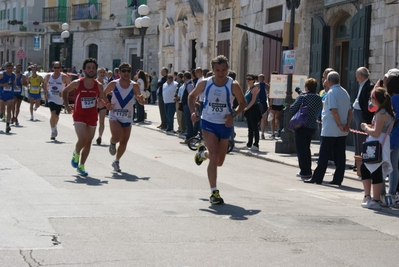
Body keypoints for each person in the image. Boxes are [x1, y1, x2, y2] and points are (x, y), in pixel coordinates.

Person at [189, 55, 246, 204]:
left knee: (219, 161)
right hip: (208, 122)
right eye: (217, 70)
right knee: (214, 155)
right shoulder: (205, 83)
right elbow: (191, 96)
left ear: (227, 69)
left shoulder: (233, 85)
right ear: (213, 70)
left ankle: (202, 153)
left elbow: (242, 103)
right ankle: (214, 192)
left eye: (223, 70)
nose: (221, 73)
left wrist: (232, 114)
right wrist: (193, 112)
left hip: (225, 125)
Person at [304, 71, 352, 185]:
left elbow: (334, 111)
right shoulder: (344, 92)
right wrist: (347, 125)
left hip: (331, 129)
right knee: (340, 155)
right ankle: (338, 179)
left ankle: (317, 177)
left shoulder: (332, 92)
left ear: (329, 81)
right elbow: (350, 111)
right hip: (342, 130)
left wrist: (339, 123)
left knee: (324, 155)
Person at [63, 58, 105, 176]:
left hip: (92, 116)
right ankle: (76, 153)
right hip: (79, 115)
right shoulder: (78, 83)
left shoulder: (99, 86)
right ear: (84, 70)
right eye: (89, 68)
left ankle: (81, 166)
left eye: (93, 68)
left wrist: (103, 104)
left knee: (88, 142)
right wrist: (66, 106)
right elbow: (65, 91)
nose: (91, 70)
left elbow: (102, 99)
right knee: (82, 139)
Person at [103, 62, 145, 172]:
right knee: (117, 137)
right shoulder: (113, 84)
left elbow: (139, 99)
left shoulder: (134, 85)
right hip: (114, 115)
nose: (126, 73)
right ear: (119, 72)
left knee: (124, 142)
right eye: (124, 71)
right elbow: (102, 93)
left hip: (128, 116)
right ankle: (112, 142)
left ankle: (116, 161)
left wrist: (141, 101)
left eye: (128, 71)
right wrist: (107, 103)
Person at [360, 86, 394, 210]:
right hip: (380, 143)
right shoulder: (385, 112)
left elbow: (376, 132)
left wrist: (365, 127)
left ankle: (374, 199)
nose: (370, 100)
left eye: (371, 98)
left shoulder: (381, 113)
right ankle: (369, 196)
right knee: (368, 168)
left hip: (377, 144)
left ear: (376, 99)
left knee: (374, 170)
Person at [289, 78, 322, 179]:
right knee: (306, 148)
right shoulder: (318, 98)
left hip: (301, 125)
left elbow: (292, 109)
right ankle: (308, 169)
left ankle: (304, 171)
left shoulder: (303, 97)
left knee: (301, 149)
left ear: (306, 87)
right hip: (312, 126)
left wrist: (297, 99)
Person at [352, 67, 374, 172]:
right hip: (357, 113)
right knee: (356, 138)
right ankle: (357, 162)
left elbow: (367, 103)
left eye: (357, 74)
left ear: (361, 75)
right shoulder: (361, 85)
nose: (356, 77)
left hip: (362, 115)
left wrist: (365, 115)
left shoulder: (369, 86)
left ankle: (361, 163)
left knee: (361, 138)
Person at [43, 61, 71, 140]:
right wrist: (46, 92)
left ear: (60, 68)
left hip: (59, 99)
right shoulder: (49, 76)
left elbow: (70, 86)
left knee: (57, 116)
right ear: (52, 68)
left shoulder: (64, 77)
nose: (56, 69)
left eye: (58, 67)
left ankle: (54, 126)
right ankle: (52, 132)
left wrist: (63, 92)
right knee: (53, 113)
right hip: (51, 97)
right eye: (55, 67)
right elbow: (44, 84)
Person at [383, 74, 399, 204]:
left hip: (388, 136)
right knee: (394, 167)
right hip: (398, 136)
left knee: (382, 166)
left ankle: (382, 194)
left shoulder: (390, 100)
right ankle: (392, 194)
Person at [243, 73, 261, 151]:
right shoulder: (248, 89)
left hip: (254, 109)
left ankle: (256, 144)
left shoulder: (255, 88)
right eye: (247, 79)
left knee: (255, 127)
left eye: (249, 79)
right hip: (249, 110)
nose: (248, 80)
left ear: (253, 80)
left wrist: (247, 108)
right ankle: (249, 143)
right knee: (250, 127)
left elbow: (253, 100)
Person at [0, 62, 16, 133]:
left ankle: (7, 125)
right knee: (2, 109)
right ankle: (1, 113)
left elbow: (14, 83)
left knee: (9, 110)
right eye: (8, 68)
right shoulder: (2, 74)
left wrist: (16, 86)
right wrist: (2, 84)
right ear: (5, 68)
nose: (10, 70)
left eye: (11, 68)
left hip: (10, 94)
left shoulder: (13, 75)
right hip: (2, 94)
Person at [180, 72, 195, 144]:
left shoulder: (189, 85)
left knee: (188, 122)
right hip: (186, 104)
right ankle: (189, 137)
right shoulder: (188, 84)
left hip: (188, 105)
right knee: (187, 122)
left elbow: (191, 96)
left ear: (185, 77)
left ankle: (189, 138)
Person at [268, 71, 284, 139]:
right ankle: (279, 129)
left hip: (274, 103)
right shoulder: (282, 84)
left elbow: (271, 95)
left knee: (272, 118)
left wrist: (270, 105)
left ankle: (273, 133)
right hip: (280, 103)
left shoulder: (272, 84)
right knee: (277, 118)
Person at [95, 67, 108, 145]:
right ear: (97, 73)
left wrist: (107, 102)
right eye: (100, 72)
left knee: (102, 121)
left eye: (103, 72)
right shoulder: (94, 82)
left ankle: (100, 137)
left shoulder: (106, 83)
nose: (102, 74)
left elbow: (106, 94)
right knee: (93, 121)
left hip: (103, 105)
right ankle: (89, 136)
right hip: (94, 105)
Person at [257, 74, 269, 139]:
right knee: (263, 119)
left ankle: (257, 131)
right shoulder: (267, 85)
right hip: (263, 102)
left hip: (258, 103)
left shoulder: (256, 85)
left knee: (257, 118)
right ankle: (262, 133)